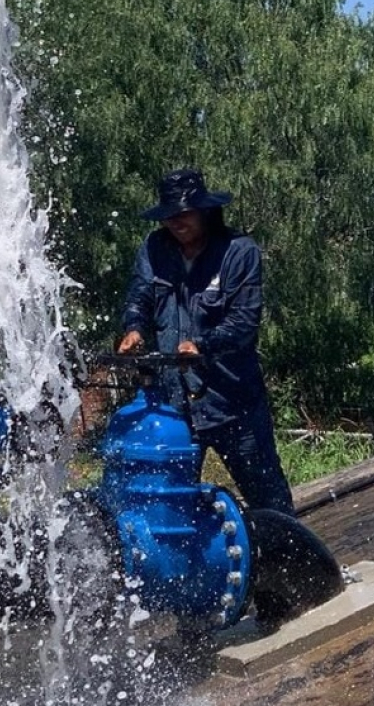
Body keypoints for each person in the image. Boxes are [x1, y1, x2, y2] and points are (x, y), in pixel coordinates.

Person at [117, 168, 295, 517]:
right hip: (176, 408)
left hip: (233, 404)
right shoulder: (154, 249)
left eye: (184, 213)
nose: (176, 222)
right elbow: (138, 298)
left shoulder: (238, 252)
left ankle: (297, 567)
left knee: (270, 504)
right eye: (169, 215)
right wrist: (134, 329)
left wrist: (201, 345)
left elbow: (244, 323)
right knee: (171, 505)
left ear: (205, 212)